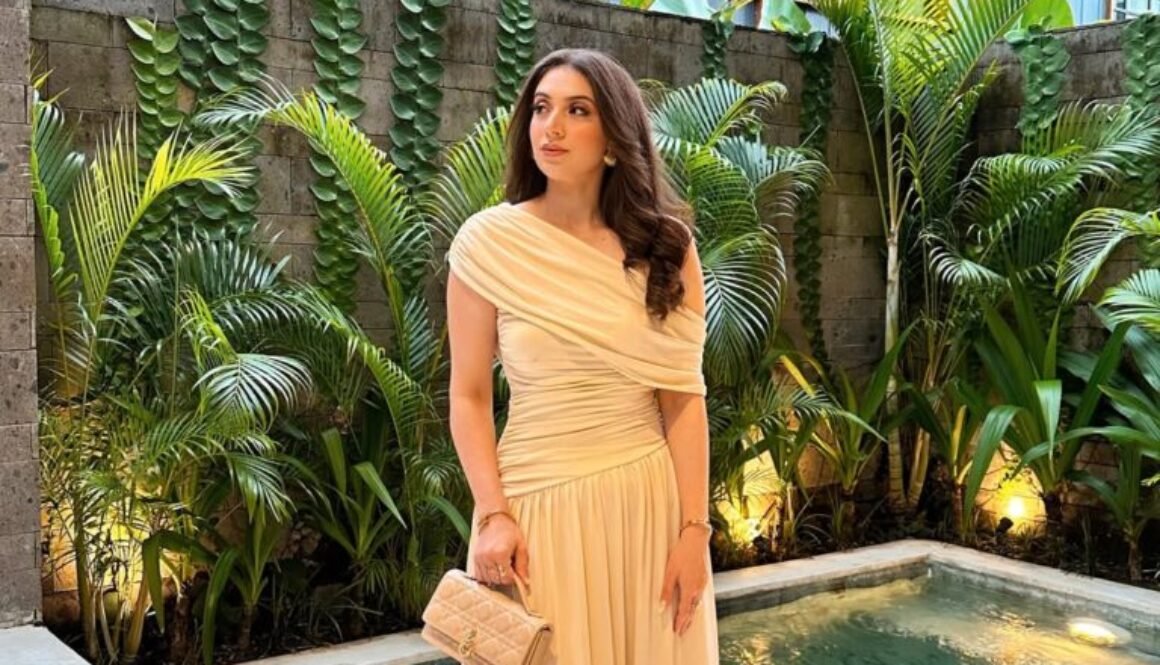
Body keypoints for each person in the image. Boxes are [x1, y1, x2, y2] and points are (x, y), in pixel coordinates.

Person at [445, 48, 719, 664]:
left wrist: (694, 532)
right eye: (542, 108)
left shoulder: (667, 247)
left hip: (647, 508)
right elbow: (468, 395)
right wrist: (492, 515)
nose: (552, 127)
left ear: (616, 138)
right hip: (535, 510)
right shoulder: (488, 244)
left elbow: (683, 398)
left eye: (577, 111)